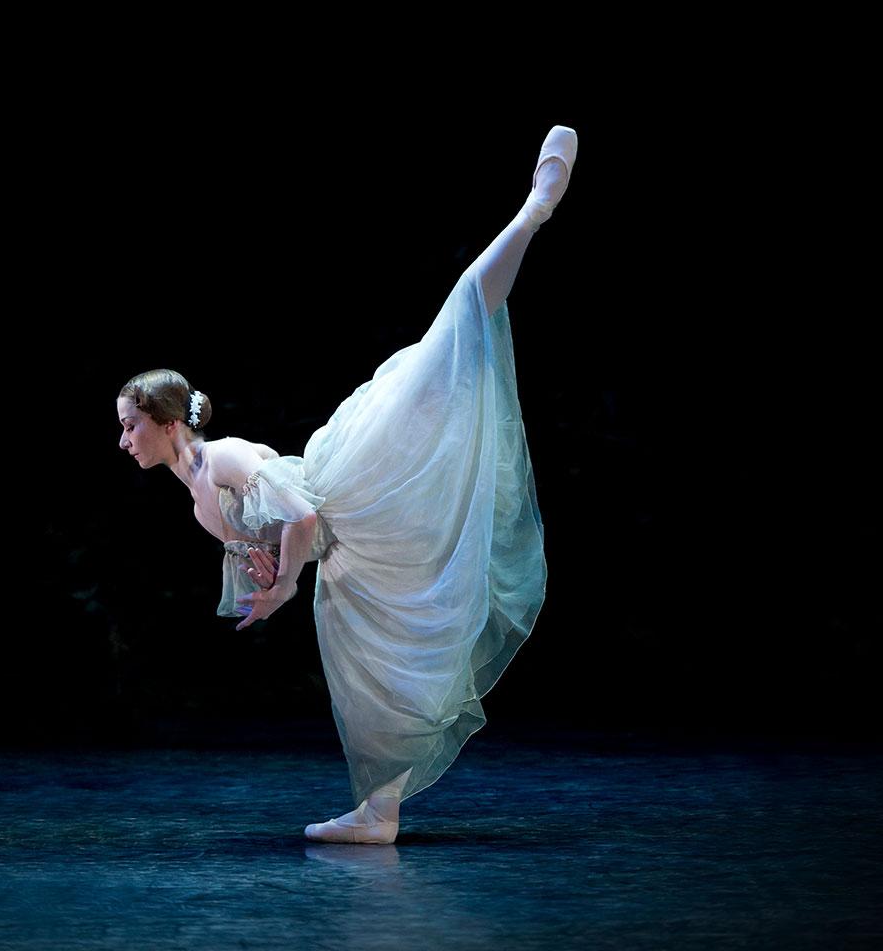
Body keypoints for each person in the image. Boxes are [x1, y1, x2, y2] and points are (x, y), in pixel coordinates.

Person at [115, 125, 578, 844]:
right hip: (350, 552)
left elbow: (299, 513)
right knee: (372, 689)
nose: (124, 442)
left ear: (168, 424)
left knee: (447, 342)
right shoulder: (198, 501)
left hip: (352, 477)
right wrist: (265, 575)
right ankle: (379, 813)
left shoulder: (223, 459)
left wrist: (288, 580)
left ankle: (533, 210)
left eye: (130, 426)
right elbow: (268, 546)